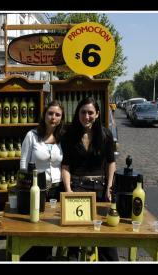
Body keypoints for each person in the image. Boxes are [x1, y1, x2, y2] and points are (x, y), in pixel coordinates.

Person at [61, 97, 119, 261]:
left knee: (105, 235)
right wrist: (69, 191)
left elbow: (111, 163)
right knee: (75, 234)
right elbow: (65, 166)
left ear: (97, 114)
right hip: (77, 188)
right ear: (78, 113)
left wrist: (109, 187)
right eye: (83, 112)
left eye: (90, 112)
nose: (87, 116)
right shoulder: (69, 135)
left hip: (100, 189)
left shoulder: (105, 134)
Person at [19, 100, 65, 261]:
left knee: (53, 224)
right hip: (37, 187)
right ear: (44, 115)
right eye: (50, 113)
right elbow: (23, 162)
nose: (53, 117)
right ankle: (35, 256)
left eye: (57, 114)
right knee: (36, 223)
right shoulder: (32, 136)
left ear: (61, 118)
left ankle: (47, 256)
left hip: (57, 188)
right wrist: (25, 185)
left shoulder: (62, 137)